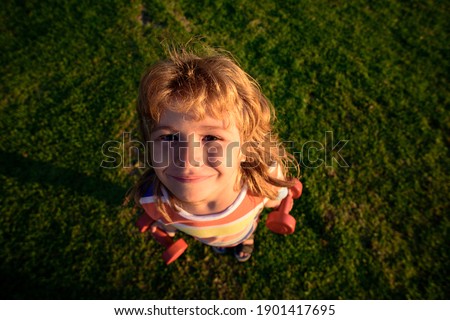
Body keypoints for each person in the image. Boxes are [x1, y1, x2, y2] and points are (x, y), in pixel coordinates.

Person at [130, 46, 299, 262]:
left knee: (245, 231)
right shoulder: (153, 199)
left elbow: (277, 198)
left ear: (247, 148)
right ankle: (219, 243)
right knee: (213, 239)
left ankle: (246, 240)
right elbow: (163, 220)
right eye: (169, 138)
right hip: (206, 237)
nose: (187, 159)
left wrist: (278, 199)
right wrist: (164, 228)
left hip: (244, 226)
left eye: (211, 138)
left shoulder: (262, 180)